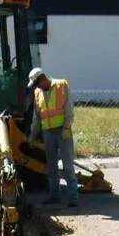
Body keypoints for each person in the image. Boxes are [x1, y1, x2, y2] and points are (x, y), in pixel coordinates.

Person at [28, 67, 78, 207]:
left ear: (43, 78)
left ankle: (73, 197)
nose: (37, 86)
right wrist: (32, 136)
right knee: (52, 167)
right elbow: (36, 117)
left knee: (68, 165)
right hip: (48, 133)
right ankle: (54, 196)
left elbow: (69, 109)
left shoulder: (62, 85)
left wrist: (67, 127)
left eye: (37, 83)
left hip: (63, 131)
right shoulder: (38, 93)